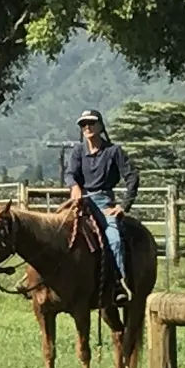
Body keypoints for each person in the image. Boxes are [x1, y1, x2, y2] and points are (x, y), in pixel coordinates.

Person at [64, 108, 140, 304]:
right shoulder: (78, 151)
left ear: (100, 126)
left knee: (113, 238)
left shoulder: (114, 151)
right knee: (55, 231)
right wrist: (74, 186)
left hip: (103, 201)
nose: (86, 127)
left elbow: (132, 177)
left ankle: (118, 282)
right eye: (83, 124)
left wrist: (123, 206)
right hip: (80, 201)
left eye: (90, 123)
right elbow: (70, 174)